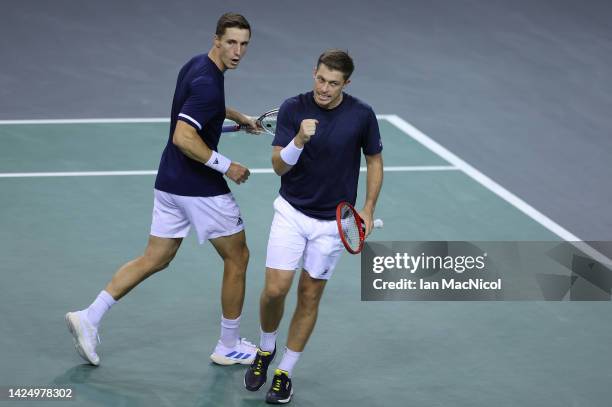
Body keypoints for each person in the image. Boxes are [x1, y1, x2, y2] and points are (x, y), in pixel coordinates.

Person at [65, 12, 259, 367]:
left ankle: (89, 317)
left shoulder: (197, 66)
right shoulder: (209, 83)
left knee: (156, 257)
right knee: (238, 257)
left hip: (169, 180)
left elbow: (200, 110)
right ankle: (229, 344)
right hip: (199, 186)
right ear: (217, 39)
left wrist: (235, 117)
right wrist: (226, 165)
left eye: (244, 44)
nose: (238, 51)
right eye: (231, 42)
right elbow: (184, 136)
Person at [243, 49, 384, 404]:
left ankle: (284, 372)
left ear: (346, 84)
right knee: (275, 290)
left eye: (333, 83)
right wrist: (299, 140)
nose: (324, 88)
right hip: (291, 213)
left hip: (332, 223)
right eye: (320, 79)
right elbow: (278, 166)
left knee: (309, 295)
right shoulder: (293, 107)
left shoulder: (362, 115)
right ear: (314, 73)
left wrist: (367, 207)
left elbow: (375, 160)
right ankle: (265, 349)